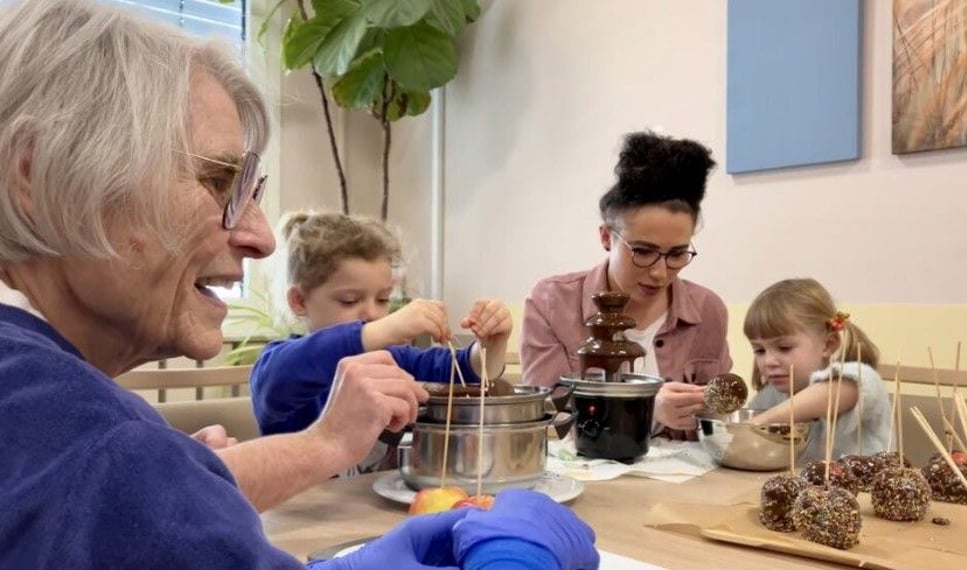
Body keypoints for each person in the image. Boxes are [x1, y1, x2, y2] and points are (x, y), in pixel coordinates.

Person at [0, 1, 597, 568]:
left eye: (252, 195)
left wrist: (179, 481)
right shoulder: (83, 440)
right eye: (218, 182)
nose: (261, 238)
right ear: (42, 175)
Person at [250, 212, 512, 472]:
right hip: (300, 512)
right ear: (299, 301)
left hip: (375, 512)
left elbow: (462, 371)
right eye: (350, 300)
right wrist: (381, 330)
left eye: (383, 299)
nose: (373, 313)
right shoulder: (280, 366)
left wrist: (492, 344)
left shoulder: (391, 358)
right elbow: (284, 374)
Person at [521, 131, 732, 439]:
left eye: (677, 254)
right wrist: (643, 408)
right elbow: (549, 418)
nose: (660, 273)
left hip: (687, 484)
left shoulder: (707, 311)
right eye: (643, 252)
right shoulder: (553, 303)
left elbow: (718, 421)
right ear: (607, 237)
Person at [744, 278, 892, 462]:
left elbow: (834, 393)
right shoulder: (770, 395)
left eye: (784, 348)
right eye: (759, 350)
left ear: (828, 345)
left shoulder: (861, 377)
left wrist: (758, 423)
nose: (768, 361)